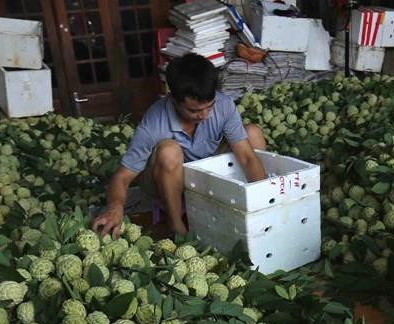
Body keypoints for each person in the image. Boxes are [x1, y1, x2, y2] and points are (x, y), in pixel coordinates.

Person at [92, 53, 267, 239]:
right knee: (169, 151)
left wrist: (266, 201)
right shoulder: (154, 122)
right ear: (174, 100)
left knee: (252, 134)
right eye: (195, 110)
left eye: (209, 107)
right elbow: (122, 177)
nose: (204, 115)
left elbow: (247, 158)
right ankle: (176, 225)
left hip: (205, 170)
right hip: (166, 177)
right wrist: (115, 207)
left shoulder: (224, 105)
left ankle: (248, 204)